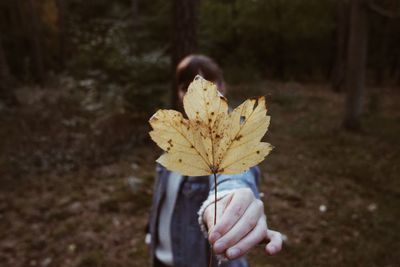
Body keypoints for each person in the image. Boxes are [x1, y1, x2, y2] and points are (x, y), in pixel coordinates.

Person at [147, 55, 283, 267]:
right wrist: (151, 233)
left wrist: (229, 202)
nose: (201, 92)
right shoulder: (176, 136)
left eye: (208, 83)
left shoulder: (236, 134)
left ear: (222, 86)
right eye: (188, 85)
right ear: (180, 93)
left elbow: (235, 179)